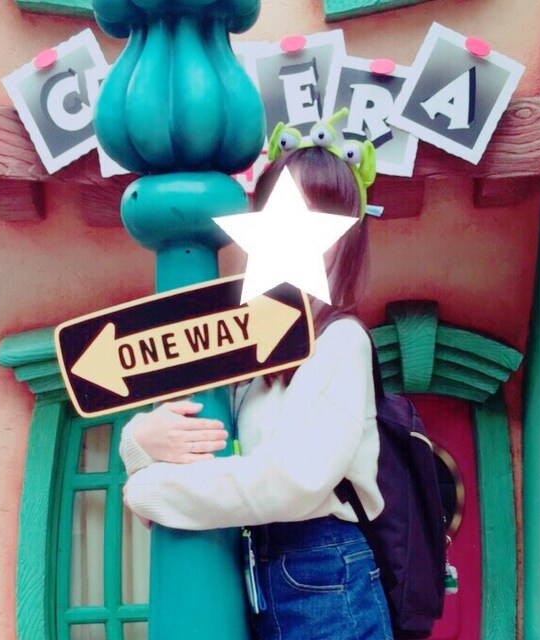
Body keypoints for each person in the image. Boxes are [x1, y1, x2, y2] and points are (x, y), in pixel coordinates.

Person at [120, 144, 394, 640]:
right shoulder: (253, 356)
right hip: (263, 568)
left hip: (326, 574)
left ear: (346, 236)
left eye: (320, 216)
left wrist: (149, 491)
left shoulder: (341, 340)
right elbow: (197, 433)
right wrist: (137, 442)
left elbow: (292, 481)